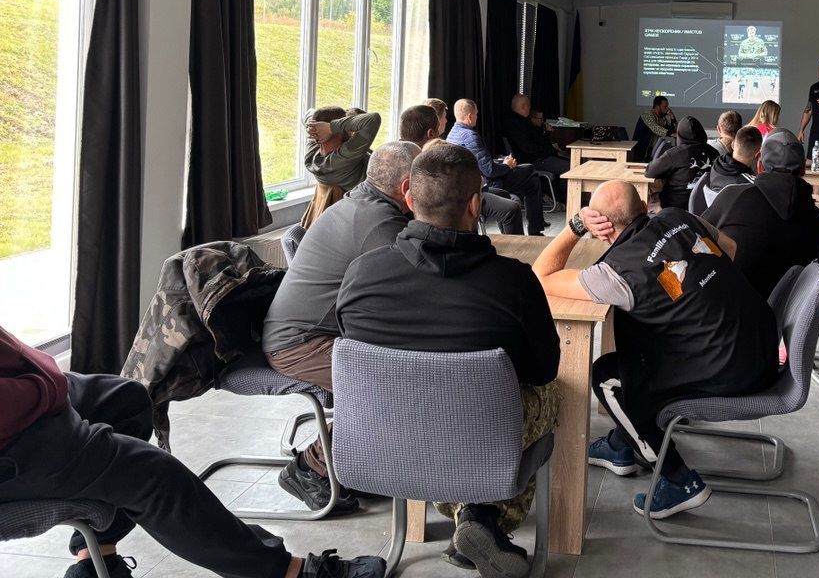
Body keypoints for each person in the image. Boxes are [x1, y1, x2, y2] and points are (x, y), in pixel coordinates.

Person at [0, 324, 385, 578]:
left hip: (29, 393)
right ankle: (284, 572)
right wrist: (45, 386)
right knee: (154, 477)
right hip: (16, 432)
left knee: (127, 399)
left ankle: (95, 557)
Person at [336, 143, 560, 578]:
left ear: (407, 194)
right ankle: (484, 517)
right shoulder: (514, 283)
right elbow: (542, 371)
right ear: (476, 204)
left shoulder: (361, 274)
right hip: (481, 437)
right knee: (552, 392)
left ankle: (475, 518)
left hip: (381, 438)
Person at [531, 181, 778, 520]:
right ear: (643, 206)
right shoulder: (680, 216)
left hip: (732, 371)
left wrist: (575, 224)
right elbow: (730, 250)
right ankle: (622, 444)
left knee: (609, 377)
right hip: (762, 345)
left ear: (602, 228)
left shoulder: (616, 272)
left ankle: (677, 479)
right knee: (641, 342)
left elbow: (542, 276)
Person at [262, 141, 419, 514]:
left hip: (309, 334)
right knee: (398, 381)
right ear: (407, 188)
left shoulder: (361, 204)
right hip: (301, 345)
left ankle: (355, 463)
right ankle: (310, 468)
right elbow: (416, 286)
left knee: (403, 365)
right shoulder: (379, 224)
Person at [702, 129, 819, 299]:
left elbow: (695, 235)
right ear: (803, 170)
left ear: (759, 165)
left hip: (723, 304)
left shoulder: (733, 196)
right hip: (778, 311)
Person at [448, 98, 545, 236]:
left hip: (474, 181)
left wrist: (502, 163)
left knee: (532, 181)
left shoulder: (452, 134)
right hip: (488, 182)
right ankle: (535, 230)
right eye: (476, 114)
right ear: (470, 116)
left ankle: (532, 231)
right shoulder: (470, 136)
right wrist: (507, 165)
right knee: (530, 169)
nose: (477, 117)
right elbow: (490, 171)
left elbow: (482, 163)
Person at [300, 106, 382, 228]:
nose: (349, 130)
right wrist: (332, 127)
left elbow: (308, 113)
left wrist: (313, 127)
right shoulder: (345, 156)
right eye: (344, 124)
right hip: (366, 219)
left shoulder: (311, 154)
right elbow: (373, 119)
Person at [645, 115, 715, 210]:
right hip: (704, 205)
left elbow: (649, 172)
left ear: (680, 135)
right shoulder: (714, 152)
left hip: (675, 206)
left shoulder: (674, 153)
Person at [693, 125, 761, 214]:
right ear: (757, 155)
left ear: (733, 145)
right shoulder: (750, 184)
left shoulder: (717, 165)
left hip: (715, 217)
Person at [503, 94, 569, 182]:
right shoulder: (517, 124)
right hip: (533, 160)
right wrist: (546, 151)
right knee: (570, 168)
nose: (529, 110)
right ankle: (566, 191)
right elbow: (528, 147)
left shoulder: (517, 121)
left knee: (568, 161)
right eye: (529, 107)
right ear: (524, 107)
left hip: (537, 157)